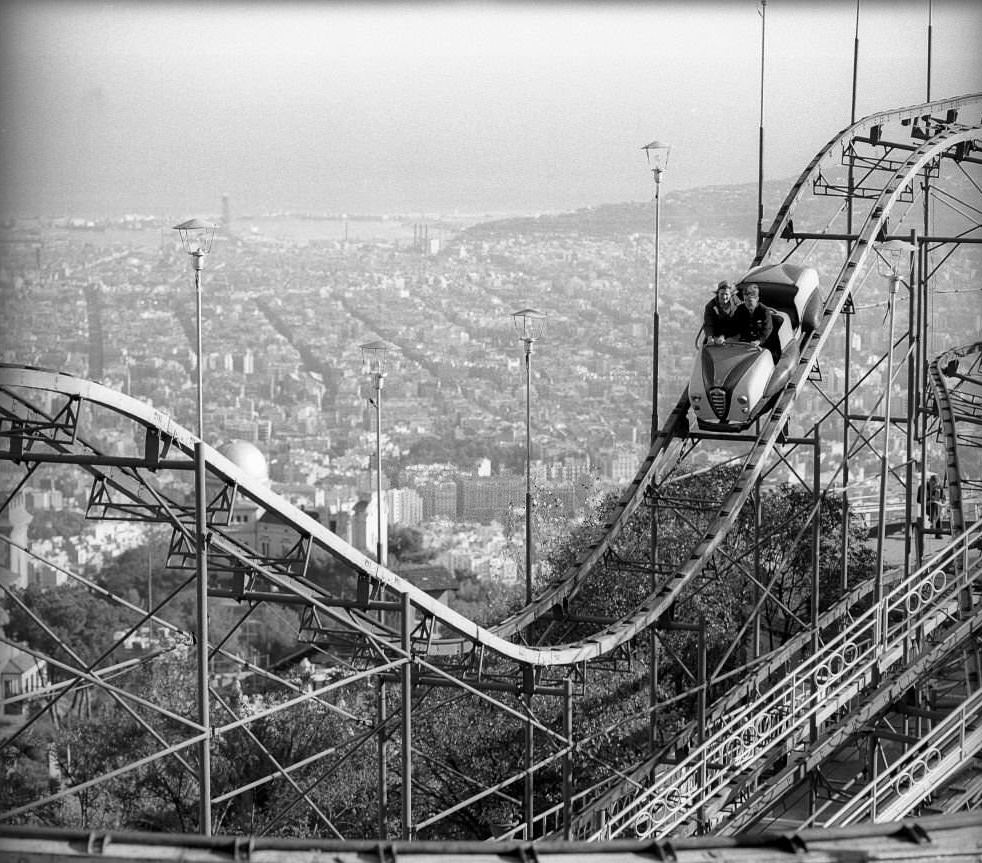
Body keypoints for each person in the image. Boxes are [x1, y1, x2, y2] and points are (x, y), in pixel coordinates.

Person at [734, 283, 773, 349]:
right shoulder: (740, 309)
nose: (747, 303)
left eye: (750, 301)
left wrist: (759, 341)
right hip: (745, 341)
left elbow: (767, 329)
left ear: (757, 299)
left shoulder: (764, 311)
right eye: (745, 300)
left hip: (762, 343)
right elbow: (734, 325)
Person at [703, 280, 739, 344]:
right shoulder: (710, 306)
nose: (724, 297)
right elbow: (708, 324)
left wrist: (724, 336)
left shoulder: (736, 301)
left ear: (731, 294)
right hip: (717, 335)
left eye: (727, 294)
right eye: (722, 294)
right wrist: (710, 337)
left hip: (733, 333)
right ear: (718, 293)